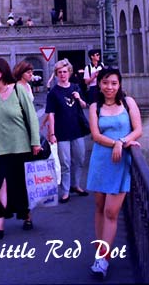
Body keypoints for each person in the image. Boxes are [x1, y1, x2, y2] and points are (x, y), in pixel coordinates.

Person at [86, 68, 142, 279]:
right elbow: (96, 135)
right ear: (99, 84)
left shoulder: (128, 103)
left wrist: (122, 142)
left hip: (120, 163)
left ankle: (103, 260)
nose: (109, 87)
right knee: (99, 208)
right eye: (105, 83)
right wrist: (115, 143)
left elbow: (138, 129)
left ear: (119, 85)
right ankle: (100, 252)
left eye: (114, 83)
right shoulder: (95, 106)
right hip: (101, 161)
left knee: (111, 212)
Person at [0, 58, 41, 238]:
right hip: (0, 149)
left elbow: (31, 117)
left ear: (2, 71)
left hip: (21, 147)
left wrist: (35, 142)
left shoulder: (18, 89)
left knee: (20, 186)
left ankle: (26, 215)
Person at [46, 59, 89, 202]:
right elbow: (51, 114)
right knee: (65, 162)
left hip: (77, 129)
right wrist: (52, 134)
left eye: (65, 72)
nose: (63, 74)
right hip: (62, 130)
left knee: (80, 158)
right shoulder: (53, 92)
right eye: (60, 72)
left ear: (69, 73)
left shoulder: (76, 87)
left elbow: (84, 106)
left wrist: (79, 99)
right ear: (56, 74)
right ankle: (65, 191)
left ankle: (75, 184)